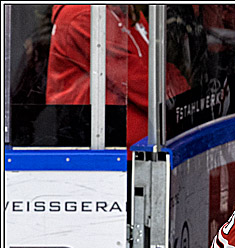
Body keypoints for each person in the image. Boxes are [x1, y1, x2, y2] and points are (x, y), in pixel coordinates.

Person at [46, 4, 189, 147]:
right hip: (110, 154)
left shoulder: (124, 10)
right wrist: (185, 104)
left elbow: (160, 67)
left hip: (145, 146)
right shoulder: (84, 15)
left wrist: (185, 99)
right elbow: (142, 83)